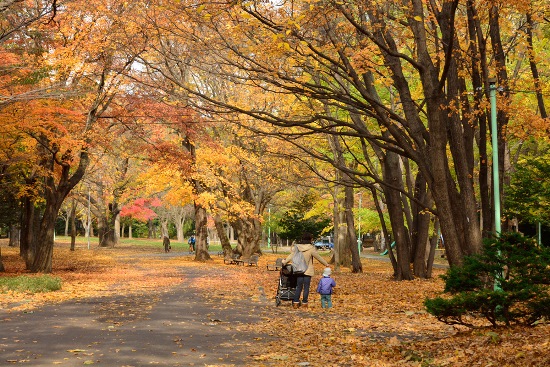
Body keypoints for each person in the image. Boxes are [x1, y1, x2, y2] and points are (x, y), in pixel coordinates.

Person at [283, 232, 330, 309]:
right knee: (306, 287)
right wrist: (326, 264)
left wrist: (284, 262)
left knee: (299, 287)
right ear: (310, 239)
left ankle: (296, 302)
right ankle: (305, 303)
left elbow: (291, 256)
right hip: (308, 271)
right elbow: (318, 257)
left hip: (298, 270)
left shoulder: (297, 247)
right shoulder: (311, 248)